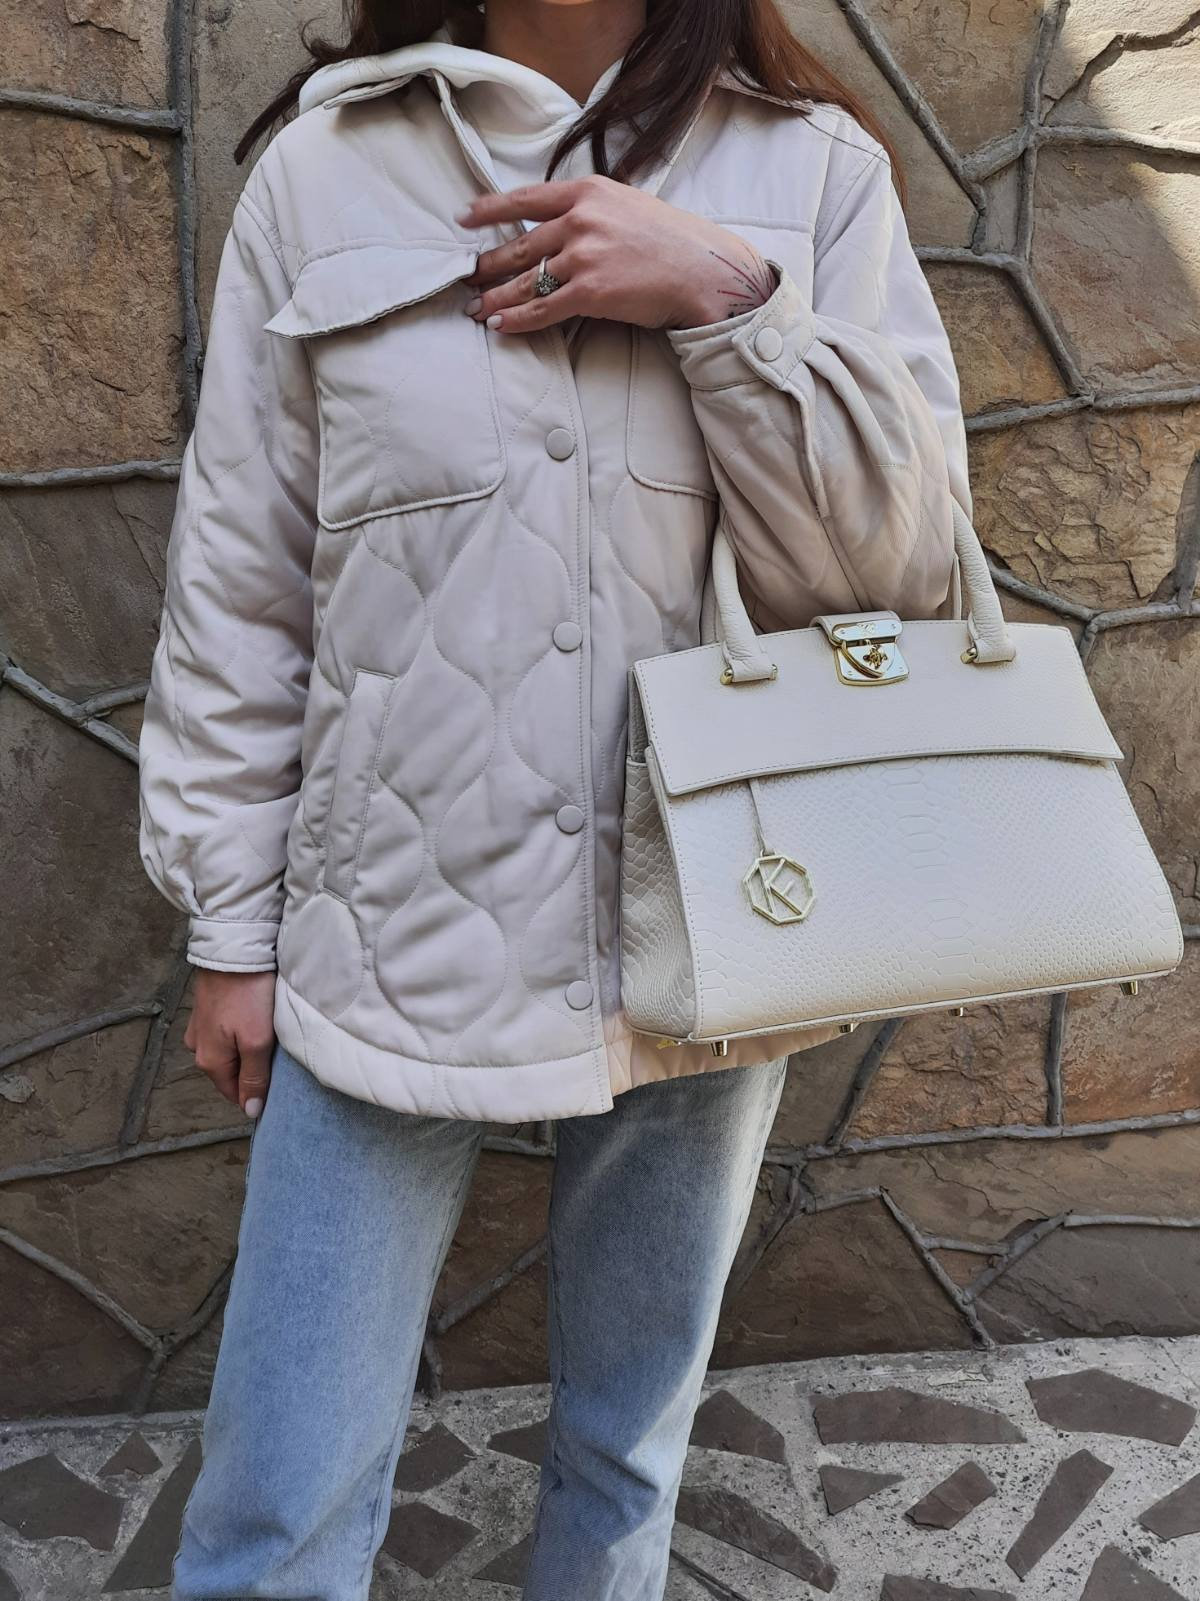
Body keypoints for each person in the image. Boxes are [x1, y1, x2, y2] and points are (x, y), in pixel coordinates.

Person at [136, 0, 968, 1594]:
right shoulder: (328, 170)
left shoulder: (813, 174)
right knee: (275, 1507)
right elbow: (243, 582)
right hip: (393, 926)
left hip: (722, 912)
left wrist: (729, 297)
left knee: (625, 1455)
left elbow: (899, 570)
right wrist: (231, 924)